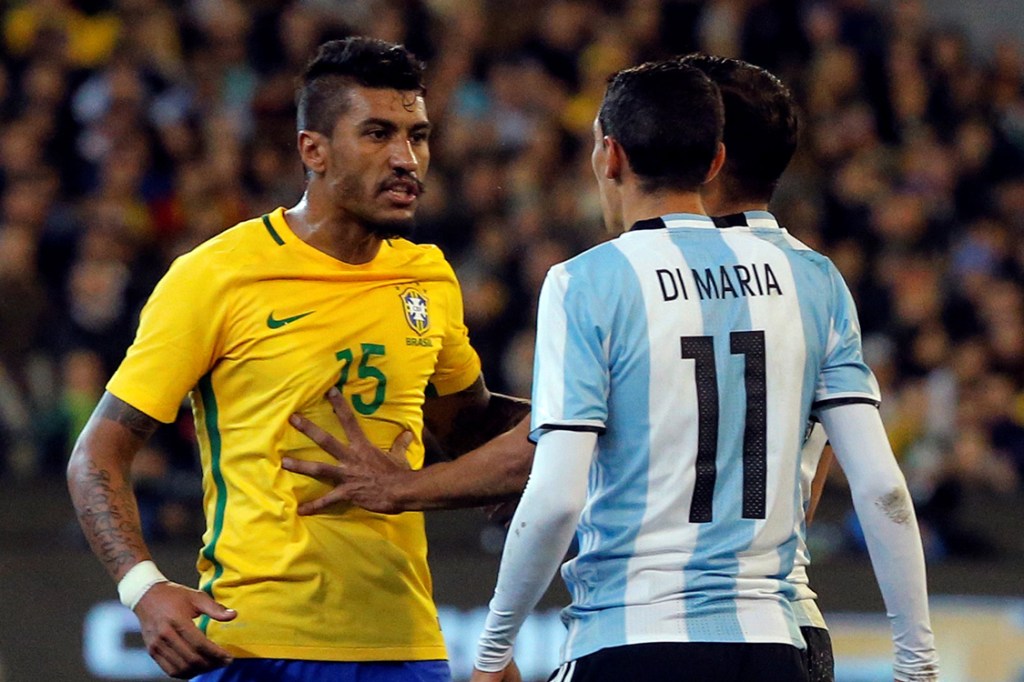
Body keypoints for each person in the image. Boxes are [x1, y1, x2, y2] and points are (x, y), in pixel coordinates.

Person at [66, 37, 530, 682]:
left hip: (406, 643)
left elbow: (468, 428)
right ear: (313, 149)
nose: (406, 158)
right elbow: (98, 455)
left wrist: (586, 420)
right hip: (254, 644)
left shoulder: (427, 276)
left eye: (417, 136)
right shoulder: (218, 276)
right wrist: (142, 587)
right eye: (377, 134)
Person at [470, 59, 940, 682]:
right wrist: (918, 665)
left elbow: (556, 500)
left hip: (629, 636)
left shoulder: (585, 282)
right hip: (776, 640)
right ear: (712, 159)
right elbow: (882, 490)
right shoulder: (812, 278)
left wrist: (492, 649)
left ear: (609, 157)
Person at [682, 53, 836, 682]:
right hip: (794, 620)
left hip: (675, 623)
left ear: (708, 155)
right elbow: (822, 468)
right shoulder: (821, 283)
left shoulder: (640, 279)